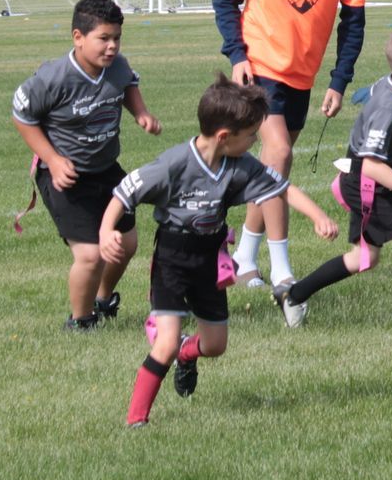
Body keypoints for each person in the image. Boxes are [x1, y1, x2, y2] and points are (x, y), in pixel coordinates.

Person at [100, 77, 338, 426]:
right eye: (252, 134)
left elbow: (281, 188)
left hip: (210, 263)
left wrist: (318, 215)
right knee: (163, 344)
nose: (256, 140)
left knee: (215, 346)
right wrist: (107, 229)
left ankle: (187, 352)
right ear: (225, 136)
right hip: (172, 259)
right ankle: (136, 420)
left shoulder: (240, 166)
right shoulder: (174, 164)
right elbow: (125, 192)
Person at [211, 0, 366, 289]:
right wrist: (238, 55)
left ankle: (243, 255)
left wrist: (339, 80)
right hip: (260, 66)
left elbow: (353, 20)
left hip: (304, 75)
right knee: (278, 155)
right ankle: (281, 270)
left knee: (270, 168)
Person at [274, 22, 392, 333]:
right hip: (366, 183)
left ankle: (294, 294)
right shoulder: (389, 103)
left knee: (363, 258)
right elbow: (371, 164)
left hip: (366, 181)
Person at [10, 0, 162, 329]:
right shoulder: (53, 78)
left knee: (124, 244)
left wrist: (141, 114)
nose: (112, 47)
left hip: (106, 170)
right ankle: (80, 321)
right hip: (64, 176)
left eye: (117, 38)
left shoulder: (117, 66)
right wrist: (53, 158)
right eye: (103, 39)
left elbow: (128, 84)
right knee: (90, 254)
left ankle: (103, 299)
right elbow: (22, 116)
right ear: (78, 38)